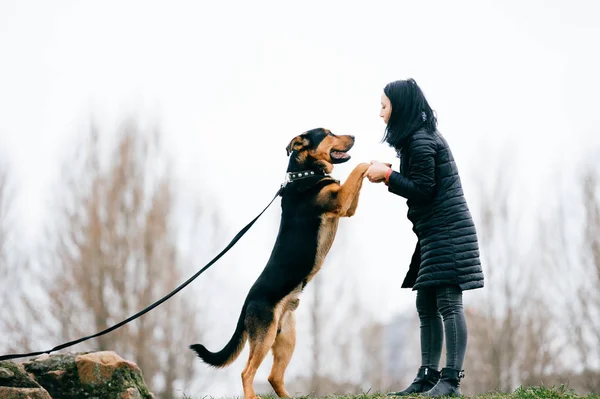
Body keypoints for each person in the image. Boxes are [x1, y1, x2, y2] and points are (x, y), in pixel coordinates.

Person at [364, 78, 484, 397]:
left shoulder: (420, 140)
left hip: (448, 231)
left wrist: (388, 176)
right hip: (434, 233)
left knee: (447, 300)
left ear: (399, 107)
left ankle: (450, 381)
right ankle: (428, 377)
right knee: (425, 302)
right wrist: (392, 173)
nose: (380, 113)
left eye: (384, 106)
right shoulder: (418, 139)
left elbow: (423, 189)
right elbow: (421, 182)